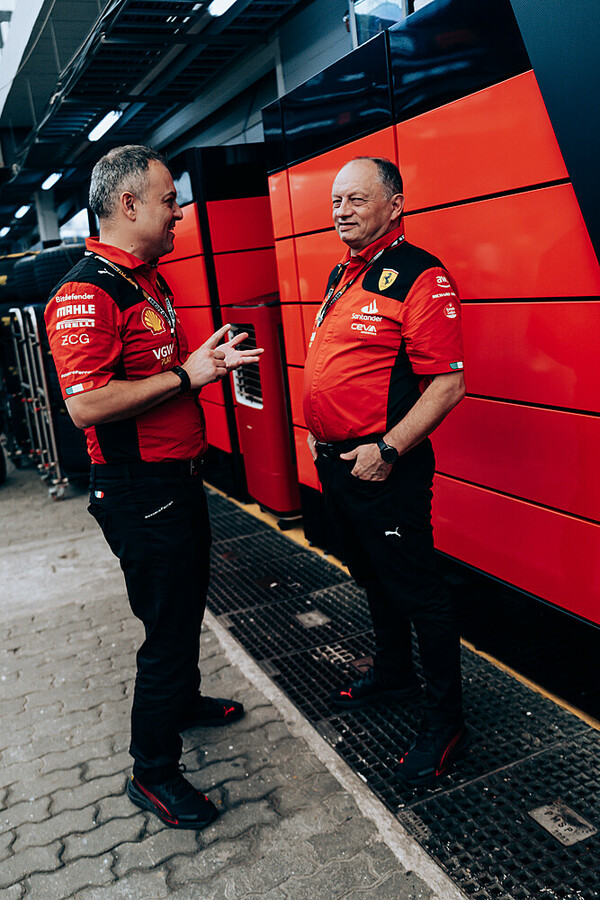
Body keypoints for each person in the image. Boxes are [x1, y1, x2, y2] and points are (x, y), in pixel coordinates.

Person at [45, 145, 263, 829]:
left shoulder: (146, 280)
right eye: (170, 200)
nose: (179, 213)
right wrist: (187, 377)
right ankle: (154, 771)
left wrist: (202, 365)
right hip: (139, 491)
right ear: (129, 203)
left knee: (183, 608)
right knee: (166, 631)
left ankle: (183, 702)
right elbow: (86, 404)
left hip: (177, 480)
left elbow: (161, 372)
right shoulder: (88, 292)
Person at [303, 156, 468, 786]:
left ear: (395, 205)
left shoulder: (421, 274)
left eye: (356, 199)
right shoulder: (342, 274)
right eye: (335, 200)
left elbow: (447, 385)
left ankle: (446, 722)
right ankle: (395, 674)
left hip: (384, 469)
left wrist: (390, 450)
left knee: (420, 592)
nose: (341, 210)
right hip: (339, 465)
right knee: (372, 575)